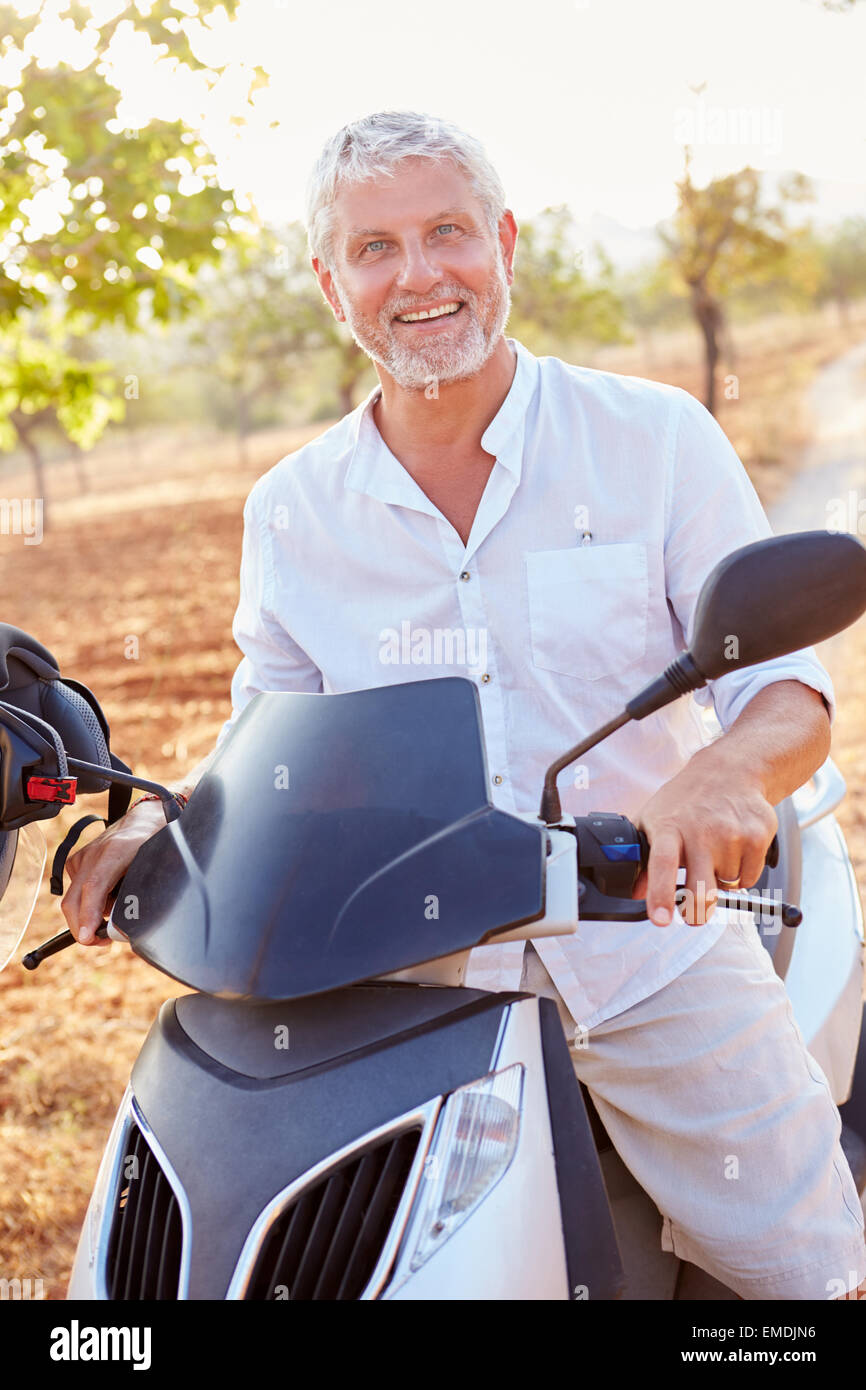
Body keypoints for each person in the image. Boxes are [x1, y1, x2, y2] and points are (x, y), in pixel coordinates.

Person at [62, 110, 866, 1300]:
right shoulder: (290, 512)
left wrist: (722, 774)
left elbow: (783, 691)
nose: (418, 274)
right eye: (374, 248)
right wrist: (161, 822)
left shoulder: (651, 439)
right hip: (409, 988)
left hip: (651, 954)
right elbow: (267, 746)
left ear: (501, 242)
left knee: (805, 1274)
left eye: (446, 232)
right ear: (332, 286)